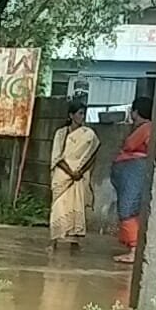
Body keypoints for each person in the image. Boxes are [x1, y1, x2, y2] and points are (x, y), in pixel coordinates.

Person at [49, 100, 100, 252]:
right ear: (71, 115)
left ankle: (74, 242)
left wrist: (80, 172)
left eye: (84, 113)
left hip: (79, 176)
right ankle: (54, 242)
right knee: (58, 207)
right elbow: (57, 157)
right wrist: (71, 173)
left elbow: (93, 155)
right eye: (79, 113)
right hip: (63, 176)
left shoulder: (89, 134)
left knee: (76, 207)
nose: (82, 117)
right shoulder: (61, 133)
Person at [111, 96, 152, 264]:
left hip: (135, 172)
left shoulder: (147, 128)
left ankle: (134, 250)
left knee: (128, 209)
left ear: (136, 112)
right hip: (130, 172)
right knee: (128, 208)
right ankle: (132, 247)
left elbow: (143, 148)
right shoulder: (144, 127)